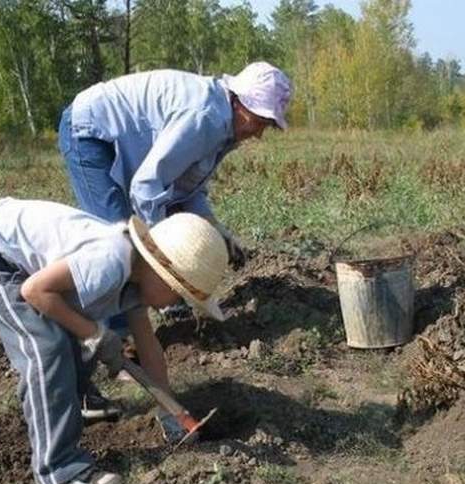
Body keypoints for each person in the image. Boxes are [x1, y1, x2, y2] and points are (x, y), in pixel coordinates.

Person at [0, 197, 229, 484]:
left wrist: (169, 408)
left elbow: (149, 347)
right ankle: (59, 472)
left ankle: (79, 399)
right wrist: (94, 333)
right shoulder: (109, 261)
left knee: (76, 329)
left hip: (27, 270)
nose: (173, 304)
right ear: (160, 271)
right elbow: (34, 291)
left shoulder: (137, 281)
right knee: (47, 346)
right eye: (177, 294)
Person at [57, 61, 292, 334]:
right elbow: (147, 188)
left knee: (137, 248)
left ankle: (153, 313)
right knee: (117, 241)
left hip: (111, 137)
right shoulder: (204, 118)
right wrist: (166, 257)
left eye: (267, 125)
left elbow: (184, 189)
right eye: (259, 121)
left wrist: (216, 229)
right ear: (240, 103)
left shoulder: (226, 125)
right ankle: (118, 343)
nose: (260, 133)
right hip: (89, 131)